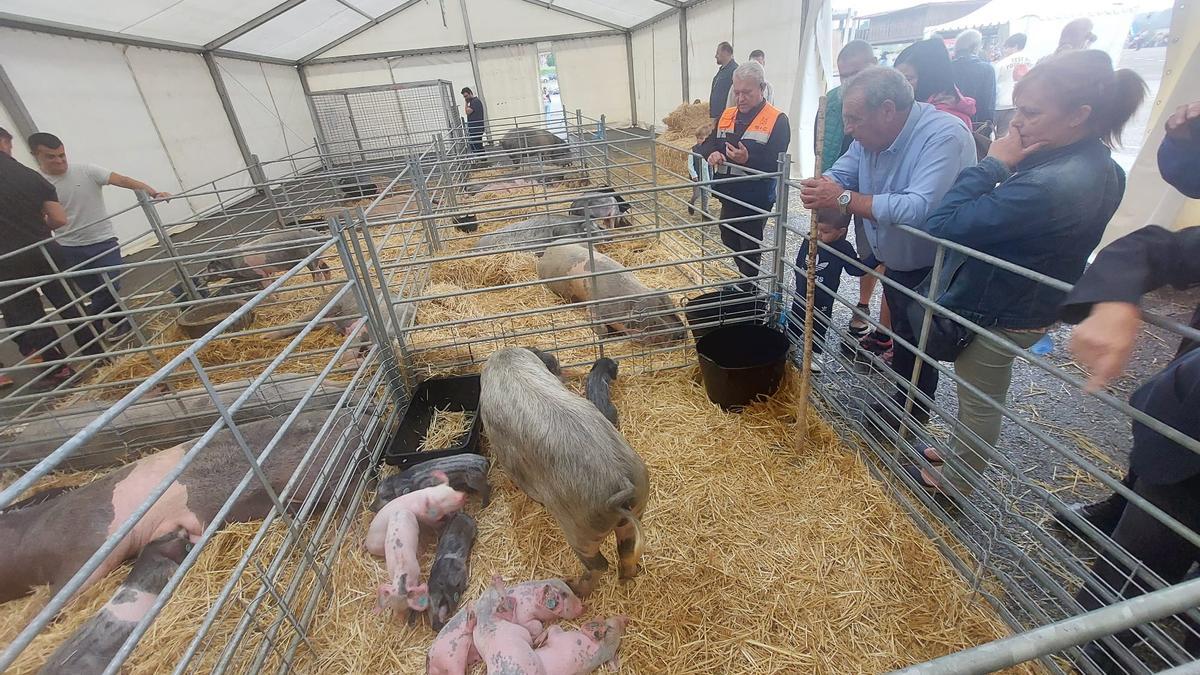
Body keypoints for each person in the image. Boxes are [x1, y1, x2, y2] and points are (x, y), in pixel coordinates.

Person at [903, 50, 1145, 494]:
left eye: (1031, 113)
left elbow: (942, 224)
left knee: (981, 399)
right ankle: (960, 453)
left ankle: (957, 481)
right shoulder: (1103, 167)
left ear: (1079, 115)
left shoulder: (1049, 184)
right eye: (1018, 109)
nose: (1017, 123)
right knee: (978, 391)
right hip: (1029, 301)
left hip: (1001, 309)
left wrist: (993, 164)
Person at [799, 66, 976, 427]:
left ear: (887, 110)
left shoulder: (944, 136)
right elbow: (840, 174)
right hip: (897, 260)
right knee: (905, 335)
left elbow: (918, 207)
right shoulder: (870, 140)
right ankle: (906, 403)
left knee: (925, 341)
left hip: (936, 267)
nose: (849, 128)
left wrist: (843, 199)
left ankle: (915, 415)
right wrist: (823, 189)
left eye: (854, 119)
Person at [1057, 100, 1200, 536]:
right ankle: (1125, 503)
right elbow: (1156, 246)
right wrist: (1115, 297)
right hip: (1188, 427)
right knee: (1141, 542)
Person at [29, 133, 169, 341]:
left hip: (103, 241)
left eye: (62, 155)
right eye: (51, 157)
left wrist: (153, 192)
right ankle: (121, 323)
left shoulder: (86, 171)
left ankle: (91, 321)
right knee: (96, 292)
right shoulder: (36, 183)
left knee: (110, 285)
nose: (59, 161)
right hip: (69, 246)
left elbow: (123, 180)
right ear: (36, 155)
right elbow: (37, 214)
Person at [0, 128, 101, 385]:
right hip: (44, 248)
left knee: (28, 314)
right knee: (69, 301)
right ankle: (97, 352)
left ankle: (58, 368)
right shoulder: (29, 175)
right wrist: (37, 229)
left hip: (6, 260)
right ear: (4, 143)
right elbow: (59, 218)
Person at [696, 61, 790, 279]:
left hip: (755, 195)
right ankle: (745, 278)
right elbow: (707, 143)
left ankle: (750, 286)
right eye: (737, 92)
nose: (740, 98)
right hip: (729, 191)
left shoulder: (777, 120)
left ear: (762, 88)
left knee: (749, 242)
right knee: (728, 235)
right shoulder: (727, 114)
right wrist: (712, 153)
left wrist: (748, 160)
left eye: (747, 92)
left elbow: (776, 163)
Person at [817, 40, 882, 349]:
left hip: (871, 191)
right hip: (838, 179)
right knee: (827, 236)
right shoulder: (831, 101)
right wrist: (824, 183)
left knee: (872, 246)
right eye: (843, 75)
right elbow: (824, 144)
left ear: (874, 66)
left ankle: (863, 304)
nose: (849, 81)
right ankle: (817, 295)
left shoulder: (883, 102)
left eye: (855, 73)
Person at [788, 207, 871, 374]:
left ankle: (815, 353)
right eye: (816, 228)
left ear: (841, 231)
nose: (819, 234)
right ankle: (789, 343)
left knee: (819, 324)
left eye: (825, 231)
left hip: (824, 298)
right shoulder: (810, 237)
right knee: (796, 316)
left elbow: (854, 269)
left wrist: (874, 260)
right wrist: (800, 281)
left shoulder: (843, 247)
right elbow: (800, 260)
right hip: (802, 291)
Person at [894, 38, 977, 128]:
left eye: (907, 79)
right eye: (896, 79)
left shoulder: (946, 122)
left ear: (929, 80)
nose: (897, 86)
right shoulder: (917, 109)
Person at [951, 29, 997, 133]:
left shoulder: (947, 67)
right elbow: (988, 103)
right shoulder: (987, 69)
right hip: (976, 125)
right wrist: (987, 128)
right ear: (975, 47)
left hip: (951, 123)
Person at [993, 33, 1032, 137]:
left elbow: (993, 83)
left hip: (1000, 103)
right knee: (1004, 135)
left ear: (1015, 46)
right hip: (1016, 103)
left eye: (1006, 47)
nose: (1005, 51)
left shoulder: (1002, 63)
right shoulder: (1032, 61)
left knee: (987, 132)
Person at [688, 123, 713, 217]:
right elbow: (690, 165)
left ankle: (705, 211)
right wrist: (694, 175)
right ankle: (691, 202)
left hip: (706, 175)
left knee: (705, 194)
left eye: (703, 138)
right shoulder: (693, 150)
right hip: (697, 176)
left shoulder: (710, 150)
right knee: (697, 194)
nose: (700, 140)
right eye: (699, 138)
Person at [709, 42, 737, 120]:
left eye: (718, 53)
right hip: (717, 116)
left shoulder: (734, 71)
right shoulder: (722, 70)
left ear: (725, 53)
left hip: (726, 117)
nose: (715, 56)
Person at [461, 87, 486, 154]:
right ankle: (482, 157)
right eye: (464, 97)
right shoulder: (474, 101)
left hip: (476, 128)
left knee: (476, 145)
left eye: (466, 96)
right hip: (476, 128)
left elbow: (467, 112)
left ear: (470, 93)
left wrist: (466, 103)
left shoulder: (475, 102)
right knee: (477, 144)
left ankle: (482, 157)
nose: (465, 98)